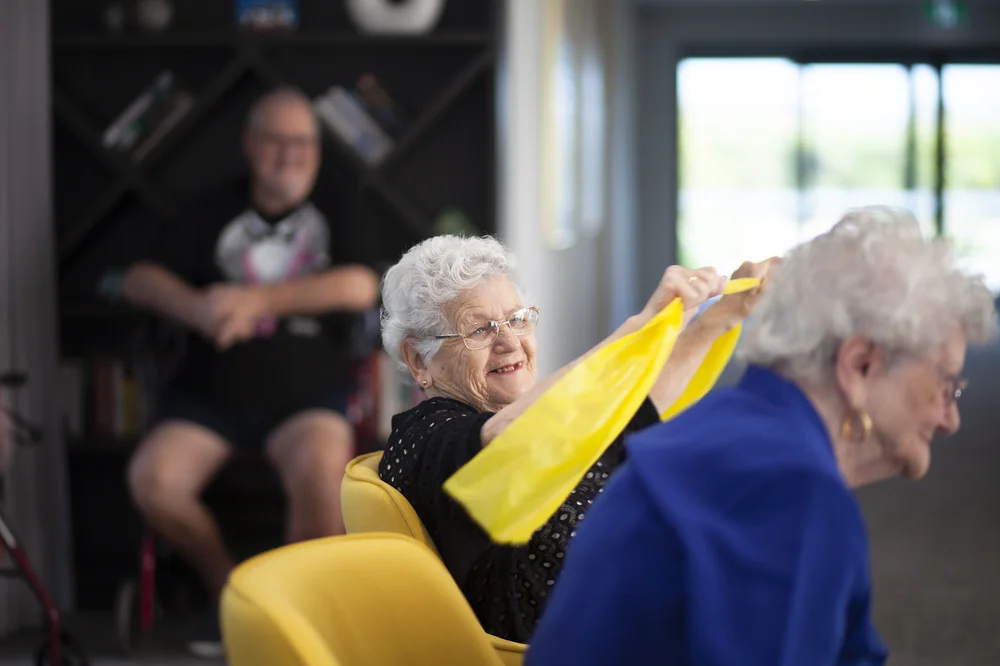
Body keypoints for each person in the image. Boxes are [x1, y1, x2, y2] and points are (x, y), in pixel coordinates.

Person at [525, 206, 999, 666]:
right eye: (946, 383)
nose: (950, 418)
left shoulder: (730, 427)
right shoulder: (791, 493)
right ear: (861, 365)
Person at [378, 234, 775, 643]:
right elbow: (504, 443)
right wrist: (639, 326)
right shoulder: (423, 436)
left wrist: (724, 314)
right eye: (479, 330)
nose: (510, 342)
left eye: (517, 318)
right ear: (416, 358)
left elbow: (636, 410)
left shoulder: (541, 428)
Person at [122, 87, 379, 657]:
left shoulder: (340, 205)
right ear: (249, 145)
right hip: (204, 401)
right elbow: (139, 279)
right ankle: (234, 595)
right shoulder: (209, 209)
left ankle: (291, 618)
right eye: (276, 139)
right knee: (153, 481)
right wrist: (204, 309)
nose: (290, 153)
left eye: (303, 141)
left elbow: (360, 284)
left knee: (323, 477)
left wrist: (257, 303)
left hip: (307, 400)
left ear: (317, 148)